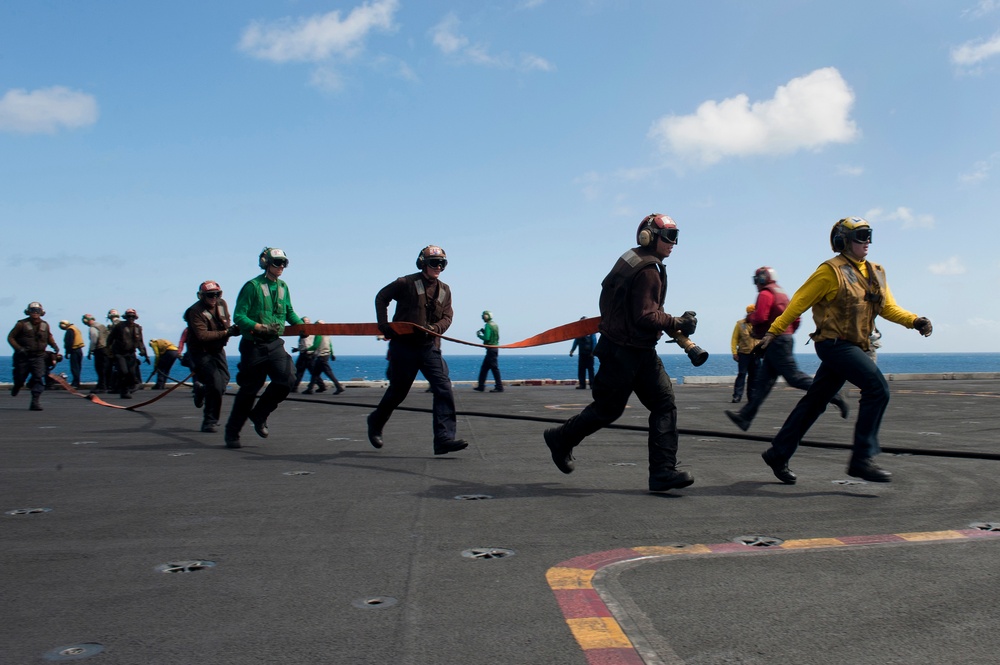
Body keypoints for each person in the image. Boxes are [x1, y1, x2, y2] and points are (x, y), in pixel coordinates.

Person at [758, 217, 933, 484]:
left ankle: (778, 453)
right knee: (877, 389)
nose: (867, 242)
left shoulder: (876, 271)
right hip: (833, 345)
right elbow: (798, 303)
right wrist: (773, 332)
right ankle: (861, 459)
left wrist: (914, 320)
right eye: (861, 236)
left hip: (855, 345)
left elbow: (887, 307)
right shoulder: (830, 271)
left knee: (815, 402)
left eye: (869, 235)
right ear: (843, 241)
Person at [542, 214, 698, 492]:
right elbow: (646, 317)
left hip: (632, 349)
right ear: (649, 236)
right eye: (670, 236)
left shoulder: (631, 258)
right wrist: (678, 323)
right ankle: (561, 438)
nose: (674, 243)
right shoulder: (649, 269)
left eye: (676, 236)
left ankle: (663, 472)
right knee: (609, 410)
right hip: (625, 352)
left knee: (660, 404)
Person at [367, 245, 468, 456]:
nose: (438, 266)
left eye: (442, 263)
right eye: (434, 262)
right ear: (423, 263)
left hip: (428, 347)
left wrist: (435, 328)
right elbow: (381, 297)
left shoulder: (445, 290)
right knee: (398, 391)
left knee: (443, 387)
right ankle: (376, 420)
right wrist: (383, 324)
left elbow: (447, 317)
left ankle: (443, 439)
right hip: (403, 346)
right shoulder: (406, 283)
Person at [725, 266, 848, 431]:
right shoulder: (781, 294)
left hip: (776, 340)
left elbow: (761, 316)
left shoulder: (765, 294)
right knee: (763, 383)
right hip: (781, 339)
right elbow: (796, 318)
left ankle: (832, 395)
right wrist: (788, 333)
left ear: (762, 279)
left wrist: (750, 318)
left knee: (794, 377)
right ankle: (745, 417)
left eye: (756, 280)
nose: (756, 284)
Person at [223, 247, 304, 448]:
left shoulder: (284, 287)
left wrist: (302, 326)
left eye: (284, 263)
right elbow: (239, 316)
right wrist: (258, 326)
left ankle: (259, 414)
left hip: (275, 343)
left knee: (287, 380)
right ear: (266, 263)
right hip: (254, 345)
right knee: (250, 389)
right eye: (277, 263)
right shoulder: (252, 286)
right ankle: (232, 433)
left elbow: (289, 312)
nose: (281, 267)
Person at [184, 280, 239, 433]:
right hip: (200, 351)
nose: (214, 298)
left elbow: (226, 322)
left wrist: (234, 329)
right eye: (210, 295)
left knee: (223, 381)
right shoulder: (194, 311)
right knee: (215, 382)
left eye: (217, 294)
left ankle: (202, 389)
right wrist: (227, 333)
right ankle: (210, 421)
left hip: (217, 349)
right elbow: (202, 335)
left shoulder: (222, 304)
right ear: (201, 296)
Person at [8, 302, 60, 411]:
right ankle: (17, 385)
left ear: (41, 312)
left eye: (37, 311)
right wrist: (18, 348)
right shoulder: (21, 324)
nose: (35, 313)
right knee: (20, 377)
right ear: (28, 312)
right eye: (33, 310)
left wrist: (54, 345)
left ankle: (35, 401)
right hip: (23, 357)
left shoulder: (45, 325)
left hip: (39, 356)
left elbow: (49, 336)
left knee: (38, 377)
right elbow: (11, 337)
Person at [106, 308, 149, 398]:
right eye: (129, 316)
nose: (131, 318)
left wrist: (145, 354)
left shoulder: (137, 328)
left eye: (132, 317)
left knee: (131, 373)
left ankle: (128, 388)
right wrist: (109, 351)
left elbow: (140, 341)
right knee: (123, 371)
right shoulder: (119, 326)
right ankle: (124, 390)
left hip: (131, 353)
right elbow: (110, 338)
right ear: (126, 317)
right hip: (119, 353)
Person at [729, 306, 760, 403]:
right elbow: (734, 339)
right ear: (748, 313)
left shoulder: (760, 324)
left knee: (754, 376)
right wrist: (734, 352)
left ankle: (752, 397)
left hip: (756, 354)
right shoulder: (740, 324)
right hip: (743, 353)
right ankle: (737, 396)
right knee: (742, 374)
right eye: (752, 313)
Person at [304, 323, 345, 394]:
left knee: (328, 373)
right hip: (326, 354)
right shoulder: (327, 334)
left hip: (321, 355)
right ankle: (310, 388)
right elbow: (330, 345)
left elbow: (315, 345)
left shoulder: (318, 334)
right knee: (315, 373)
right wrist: (332, 354)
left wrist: (307, 349)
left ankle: (339, 387)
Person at [474, 310, 504, 392]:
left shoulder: (488, 325)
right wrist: (484, 332)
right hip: (495, 348)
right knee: (484, 368)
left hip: (491, 349)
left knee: (494, 368)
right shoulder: (495, 325)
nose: (483, 317)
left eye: (484, 316)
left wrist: (479, 335)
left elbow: (487, 338)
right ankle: (481, 386)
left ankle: (499, 387)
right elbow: (494, 336)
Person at [82, 314, 110, 392]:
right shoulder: (102, 326)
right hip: (107, 349)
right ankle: (104, 385)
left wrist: (90, 351)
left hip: (100, 349)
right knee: (105, 369)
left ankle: (102, 387)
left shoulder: (93, 328)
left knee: (100, 369)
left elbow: (94, 340)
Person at [569, 317, 597, 390]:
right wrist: (572, 350)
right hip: (582, 354)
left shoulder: (591, 331)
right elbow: (576, 342)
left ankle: (592, 384)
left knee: (590, 370)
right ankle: (583, 384)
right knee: (582, 370)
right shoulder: (580, 332)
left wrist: (593, 352)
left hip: (589, 354)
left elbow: (594, 342)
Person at [59, 320, 86, 389]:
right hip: (79, 350)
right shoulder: (75, 328)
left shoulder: (70, 330)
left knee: (74, 368)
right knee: (78, 367)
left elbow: (69, 342)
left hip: (74, 350)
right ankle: (77, 382)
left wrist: (67, 352)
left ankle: (75, 383)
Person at [291, 317, 315, 393]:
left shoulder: (306, 331)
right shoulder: (310, 330)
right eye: (306, 321)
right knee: (311, 371)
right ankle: (321, 385)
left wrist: (302, 349)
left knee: (299, 371)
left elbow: (306, 344)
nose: (307, 322)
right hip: (308, 353)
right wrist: (298, 349)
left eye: (308, 321)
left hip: (306, 353)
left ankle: (294, 387)